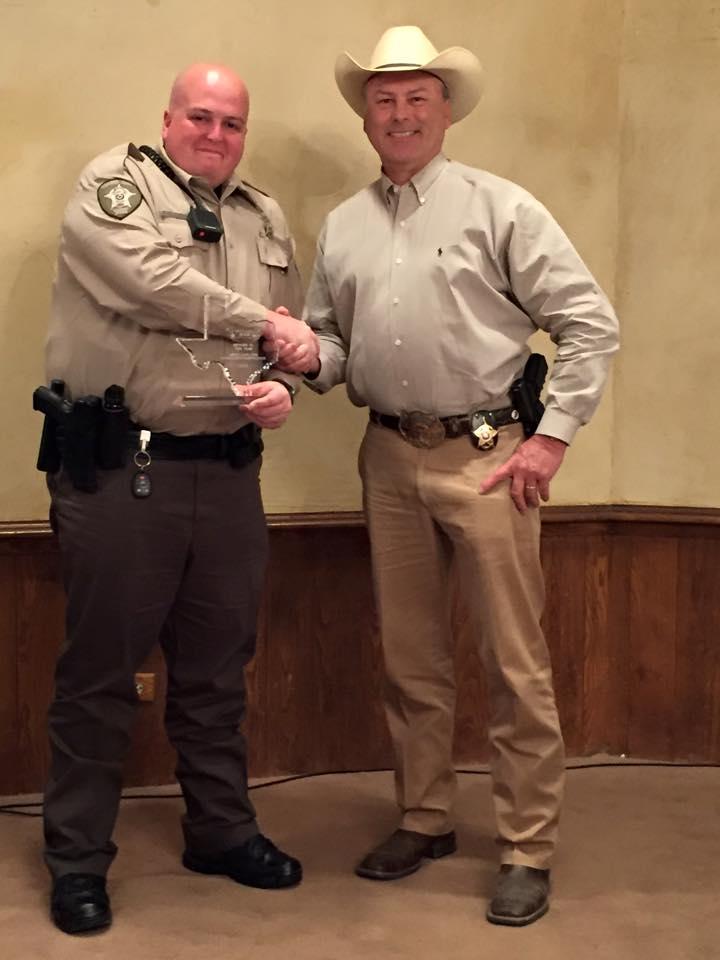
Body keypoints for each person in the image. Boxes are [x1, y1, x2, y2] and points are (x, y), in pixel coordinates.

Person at [277, 26, 619, 926]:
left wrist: (548, 441)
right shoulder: (345, 226)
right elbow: (336, 350)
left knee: (515, 663)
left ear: (444, 111)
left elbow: (589, 323)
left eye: (416, 98)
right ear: (366, 117)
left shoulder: (500, 207)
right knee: (410, 659)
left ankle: (525, 847)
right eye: (383, 99)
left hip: (490, 456)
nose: (399, 113)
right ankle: (425, 817)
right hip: (387, 457)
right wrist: (303, 355)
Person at [41, 63, 317, 935]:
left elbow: (289, 341)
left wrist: (286, 388)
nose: (216, 134)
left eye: (232, 122)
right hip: (127, 473)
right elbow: (151, 283)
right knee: (100, 678)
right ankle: (79, 860)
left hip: (230, 476)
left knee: (215, 673)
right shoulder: (112, 186)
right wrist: (266, 327)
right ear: (168, 119)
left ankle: (222, 832)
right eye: (200, 116)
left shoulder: (265, 216)